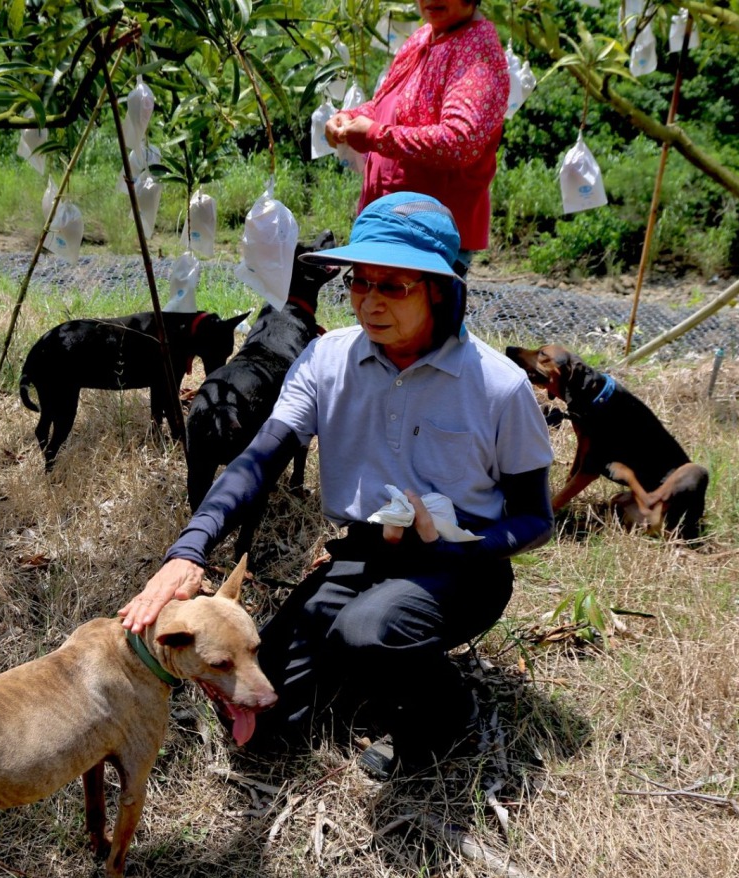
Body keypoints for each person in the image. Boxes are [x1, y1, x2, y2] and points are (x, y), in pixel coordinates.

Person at [119, 192, 553, 775]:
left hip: (463, 568)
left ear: (441, 289)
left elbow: (534, 518)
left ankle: (444, 712)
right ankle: (362, 672)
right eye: (359, 282)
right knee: (262, 720)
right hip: (365, 554)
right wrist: (191, 547)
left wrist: (455, 545)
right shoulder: (328, 358)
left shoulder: (498, 386)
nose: (369, 302)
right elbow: (259, 459)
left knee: (367, 630)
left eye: (393, 286)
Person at [325, 0, 509, 275]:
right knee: (381, 313)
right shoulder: (423, 36)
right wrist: (349, 118)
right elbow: (386, 105)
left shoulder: (476, 49)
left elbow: (459, 141)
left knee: (416, 314)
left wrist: (375, 136)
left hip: (431, 231)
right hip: (390, 218)